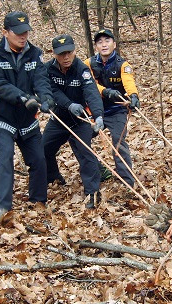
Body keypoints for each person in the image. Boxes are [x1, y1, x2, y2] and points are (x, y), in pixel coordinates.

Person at [0, 11, 55, 223]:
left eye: (26, 32)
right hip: (1, 117)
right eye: (18, 33)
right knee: (5, 155)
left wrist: (46, 99)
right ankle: (2, 207)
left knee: (39, 159)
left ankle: (39, 201)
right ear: (6, 32)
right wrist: (23, 97)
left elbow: (41, 80)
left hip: (27, 118)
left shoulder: (35, 53)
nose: (23, 37)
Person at [43, 34, 105, 208]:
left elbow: (91, 91)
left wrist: (98, 115)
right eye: (61, 54)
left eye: (69, 52)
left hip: (80, 121)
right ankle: (54, 177)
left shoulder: (82, 69)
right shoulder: (48, 69)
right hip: (59, 119)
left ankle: (92, 193)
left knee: (86, 154)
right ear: (54, 54)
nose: (66, 57)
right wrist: (69, 104)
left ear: (74, 51)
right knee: (44, 148)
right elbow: (52, 91)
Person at [84, 29, 140, 189]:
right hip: (95, 111)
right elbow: (88, 84)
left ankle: (127, 182)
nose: (104, 45)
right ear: (96, 46)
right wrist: (105, 91)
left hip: (117, 110)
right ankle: (100, 170)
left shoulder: (123, 65)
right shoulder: (88, 64)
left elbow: (129, 82)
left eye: (107, 41)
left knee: (118, 141)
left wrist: (134, 96)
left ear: (114, 44)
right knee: (80, 138)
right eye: (100, 42)